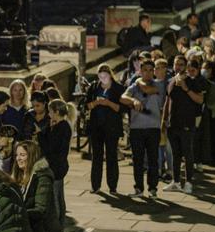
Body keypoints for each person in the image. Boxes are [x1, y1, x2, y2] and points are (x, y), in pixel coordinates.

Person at [162, 56, 208, 193]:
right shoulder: (170, 82)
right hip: (172, 122)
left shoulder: (192, 82)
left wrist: (186, 88)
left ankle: (188, 182)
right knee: (176, 154)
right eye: (176, 64)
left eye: (181, 64)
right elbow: (167, 101)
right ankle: (176, 181)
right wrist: (163, 120)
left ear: (186, 66)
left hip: (187, 122)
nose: (178, 67)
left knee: (187, 153)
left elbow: (200, 100)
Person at [122, 59, 167, 197]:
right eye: (145, 70)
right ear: (140, 71)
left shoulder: (158, 84)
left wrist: (138, 82)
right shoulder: (134, 87)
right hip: (137, 128)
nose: (147, 73)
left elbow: (148, 89)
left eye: (150, 70)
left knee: (153, 159)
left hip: (153, 127)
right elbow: (123, 98)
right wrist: (133, 100)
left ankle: (152, 188)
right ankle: (139, 188)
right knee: (138, 160)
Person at [84, 64, 126, 194]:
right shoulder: (93, 87)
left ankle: (112, 186)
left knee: (111, 156)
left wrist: (108, 103)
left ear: (110, 75)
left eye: (105, 76)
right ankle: (95, 185)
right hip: (96, 127)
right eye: (100, 76)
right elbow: (86, 105)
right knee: (97, 156)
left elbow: (122, 109)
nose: (103, 79)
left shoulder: (118, 88)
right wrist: (96, 103)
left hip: (112, 127)